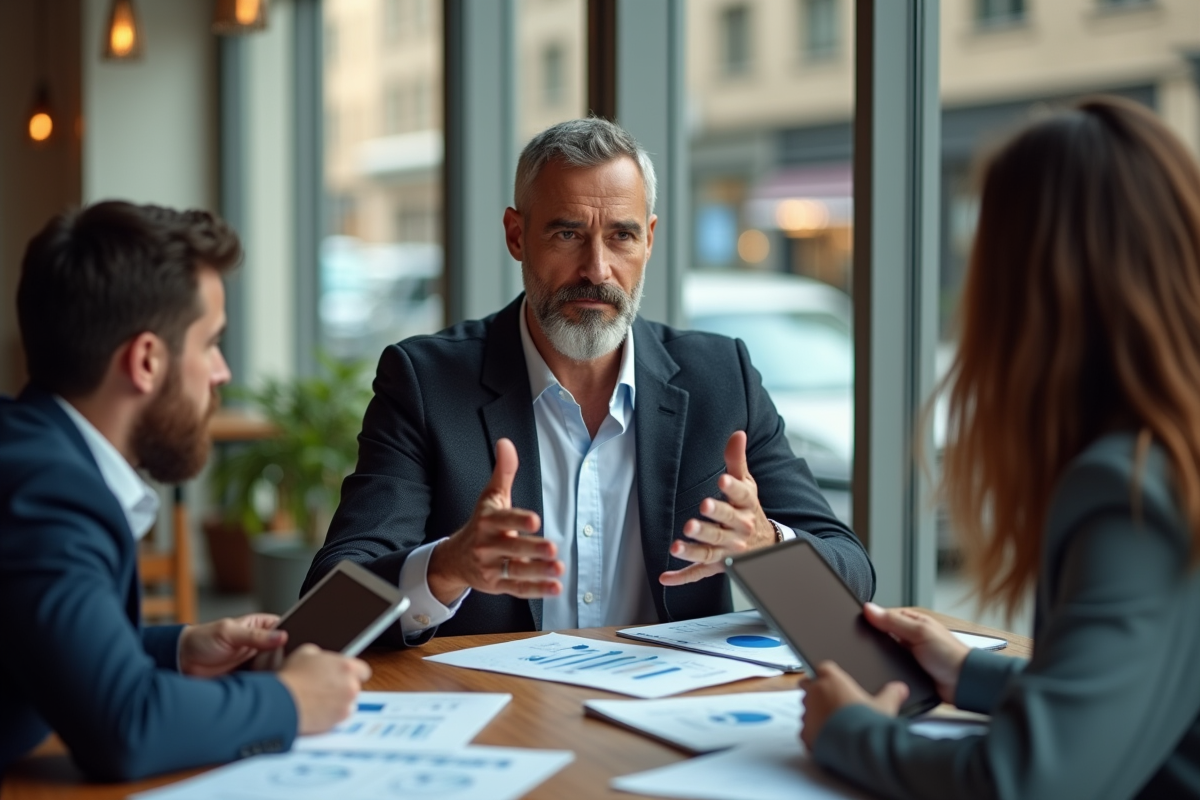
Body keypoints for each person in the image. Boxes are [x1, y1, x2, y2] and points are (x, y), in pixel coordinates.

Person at [304, 117, 873, 646]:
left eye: (621, 236)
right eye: (568, 234)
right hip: (504, 722)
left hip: (671, 723)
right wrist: (446, 568)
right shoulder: (425, 382)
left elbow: (852, 576)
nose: (597, 270)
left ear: (649, 239)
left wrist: (767, 546)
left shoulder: (722, 379)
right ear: (516, 235)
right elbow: (325, 611)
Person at [799, 96, 1200, 799]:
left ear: (1029, 283)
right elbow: (1141, 694)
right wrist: (969, 672)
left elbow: (1028, 784)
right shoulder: (1172, 454)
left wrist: (850, 731)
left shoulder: (1129, 488)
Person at [0, 202, 371, 783]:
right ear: (146, 360)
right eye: (209, 344)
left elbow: (36, 647)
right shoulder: (50, 494)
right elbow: (124, 728)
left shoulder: (25, 451)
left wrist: (178, 649)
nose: (221, 372)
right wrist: (292, 701)